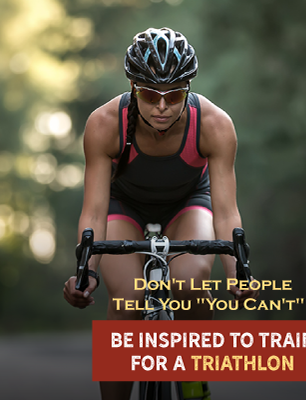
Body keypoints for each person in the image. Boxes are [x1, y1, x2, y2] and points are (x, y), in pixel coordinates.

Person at [63, 27, 258, 399]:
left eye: (175, 95)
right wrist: (85, 272)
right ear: (133, 86)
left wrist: (238, 273)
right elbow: (94, 211)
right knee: (127, 302)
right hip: (124, 206)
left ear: (189, 88)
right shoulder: (104, 124)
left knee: (191, 280)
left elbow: (226, 211)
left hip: (189, 202)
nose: (162, 106)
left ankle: (193, 376)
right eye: (150, 94)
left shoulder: (215, 125)